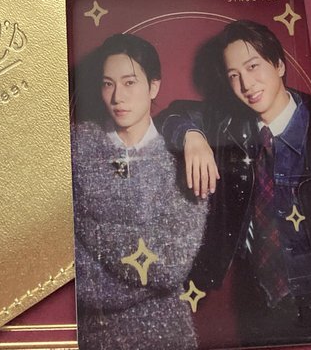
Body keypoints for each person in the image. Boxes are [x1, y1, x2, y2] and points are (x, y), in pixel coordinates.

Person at [159, 20, 311, 346]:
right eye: (234, 75)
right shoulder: (231, 123)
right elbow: (169, 116)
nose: (246, 84)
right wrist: (192, 136)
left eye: (253, 66)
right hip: (259, 301)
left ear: (279, 65)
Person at [71, 33, 208, 350]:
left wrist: (86, 225)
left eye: (130, 82)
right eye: (108, 84)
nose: (117, 97)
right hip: (93, 336)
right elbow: (57, 248)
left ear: (153, 87)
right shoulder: (77, 144)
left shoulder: (185, 157)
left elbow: (170, 266)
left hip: (165, 334)